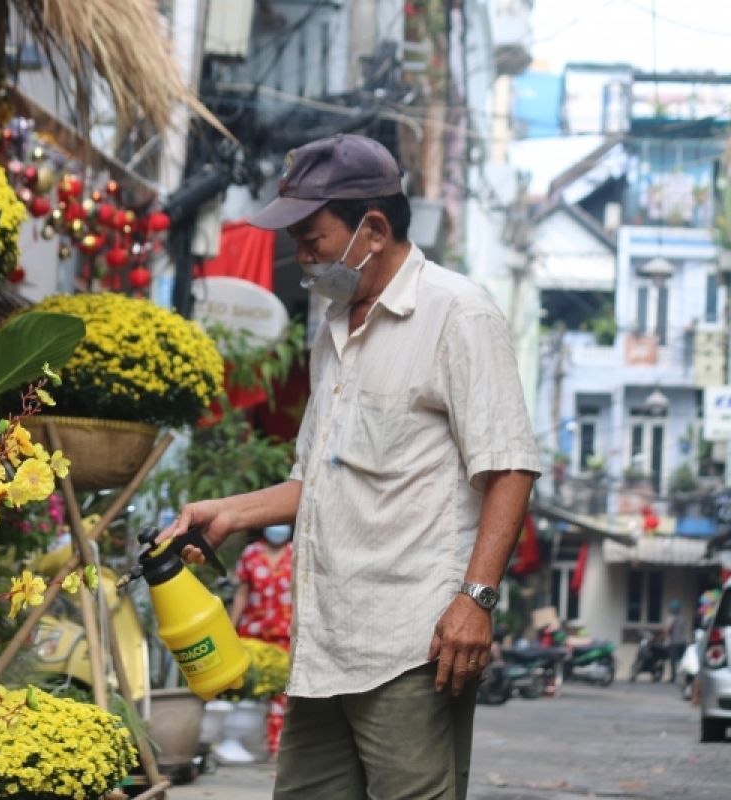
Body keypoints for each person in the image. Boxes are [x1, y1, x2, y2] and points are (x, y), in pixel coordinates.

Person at [160, 134, 539, 800]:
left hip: (414, 647)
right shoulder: (332, 331)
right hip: (325, 646)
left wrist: (475, 601)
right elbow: (321, 477)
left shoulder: (458, 314)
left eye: (313, 239)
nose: (301, 257)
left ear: (374, 228)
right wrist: (227, 513)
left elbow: (509, 467)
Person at [230, 524, 294, 757]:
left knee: (283, 693)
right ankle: (240, 742)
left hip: (286, 633)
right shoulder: (251, 554)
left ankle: (278, 748)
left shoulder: (297, 553)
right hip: (253, 632)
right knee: (249, 685)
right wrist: (230, 628)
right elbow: (242, 593)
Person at [665, 599, 687, 682]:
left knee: (673, 661)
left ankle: (674, 677)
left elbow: (668, 628)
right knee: (681, 660)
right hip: (682, 642)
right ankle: (682, 677)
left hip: (674, 642)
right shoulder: (682, 618)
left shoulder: (671, 618)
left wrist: (661, 636)